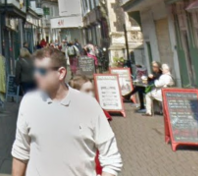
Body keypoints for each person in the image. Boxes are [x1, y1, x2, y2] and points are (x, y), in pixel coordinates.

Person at [11, 46, 121, 176]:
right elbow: (20, 152)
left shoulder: (89, 106)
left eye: (41, 71)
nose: (35, 75)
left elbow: (111, 157)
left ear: (61, 73)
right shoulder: (28, 102)